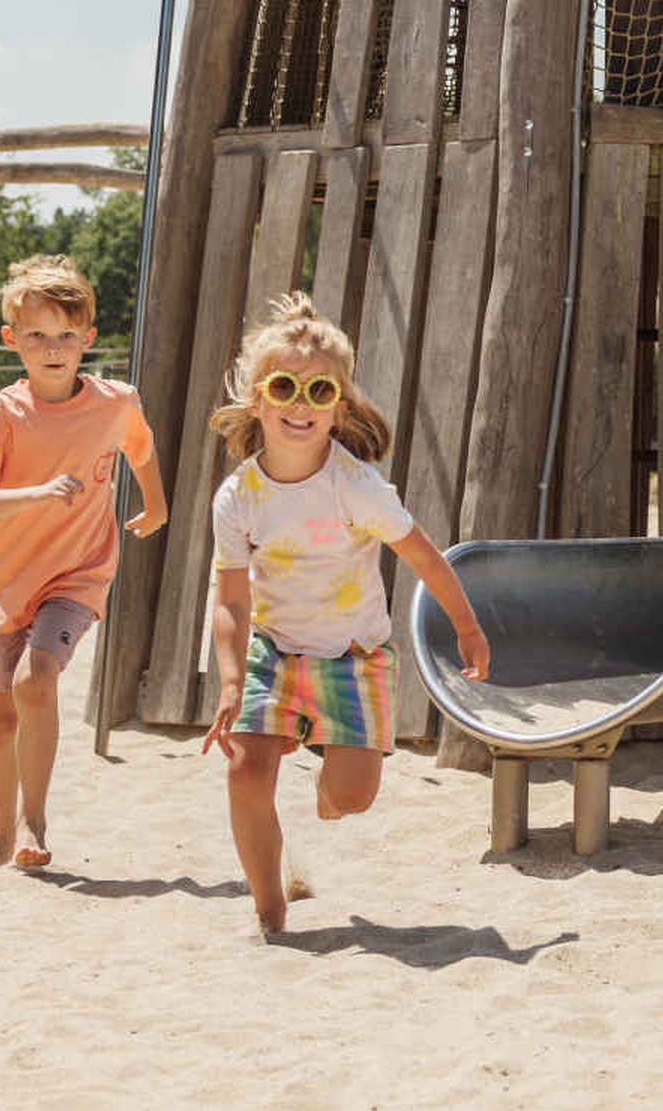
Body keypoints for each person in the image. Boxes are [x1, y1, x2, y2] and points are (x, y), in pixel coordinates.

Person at [203, 295, 491, 938]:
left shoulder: (357, 487)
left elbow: (426, 558)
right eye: (283, 387)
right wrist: (229, 681)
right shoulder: (238, 498)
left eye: (318, 389)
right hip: (273, 652)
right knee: (246, 768)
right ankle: (270, 909)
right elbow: (230, 600)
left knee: (353, 796)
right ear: (258, 401)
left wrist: (466, 627)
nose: (299, 403)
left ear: (339, 406)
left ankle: (328, 794)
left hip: (354, 659)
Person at [0, 254, 164, 871]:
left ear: (88, 340)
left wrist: (157, 506)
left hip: (79, 573)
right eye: (38, 335)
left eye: (67, 335)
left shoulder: (115, 403)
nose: (53, 348)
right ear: (11, 340)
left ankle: (33, 824)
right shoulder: (0, 414)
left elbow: (141, 449)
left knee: (35, 679)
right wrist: (38, 495)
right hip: (4, 582)